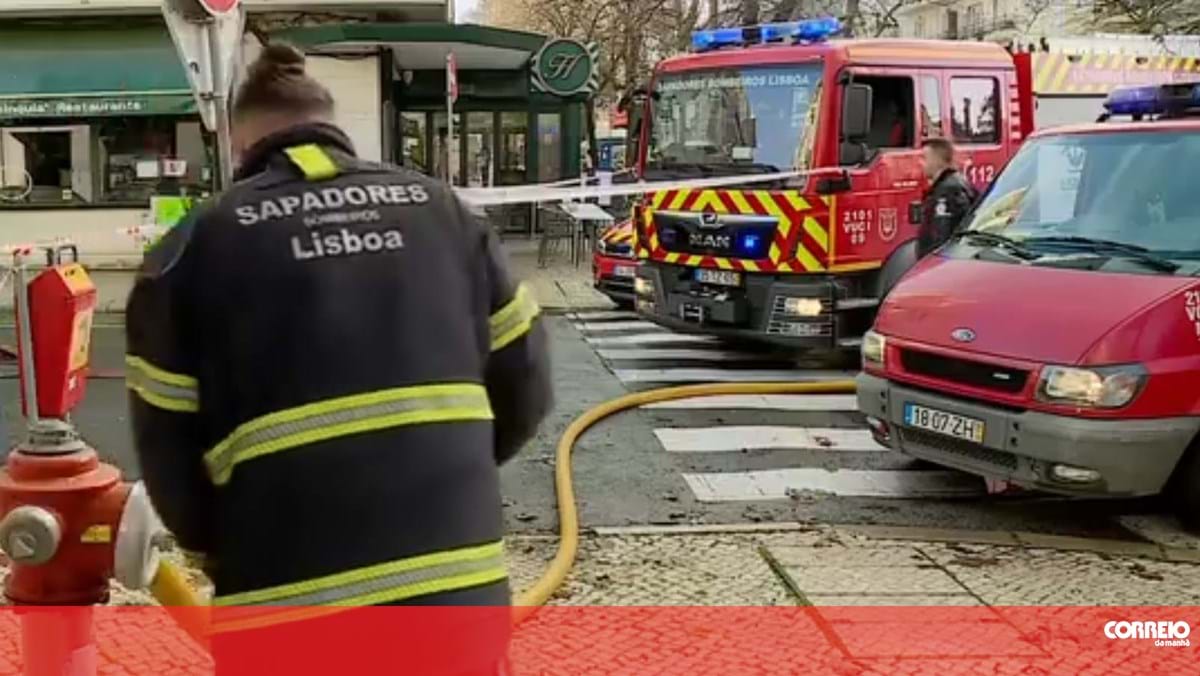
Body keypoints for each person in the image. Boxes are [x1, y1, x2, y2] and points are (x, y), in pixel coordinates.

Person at [125, 43, 552, 673]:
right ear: (332, 124)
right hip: (453, 599)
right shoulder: (443, 213)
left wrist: (225, 549)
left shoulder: (190, 251)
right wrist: (442, 476)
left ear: (239, 144)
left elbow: (169, 462)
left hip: (286, 613)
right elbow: (526, 388)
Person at [918, 137, 977, 258]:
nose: (920, 163)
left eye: (924, 158)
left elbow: (942, 237)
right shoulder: (949, 185)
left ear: (936, 161)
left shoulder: (948, 191)